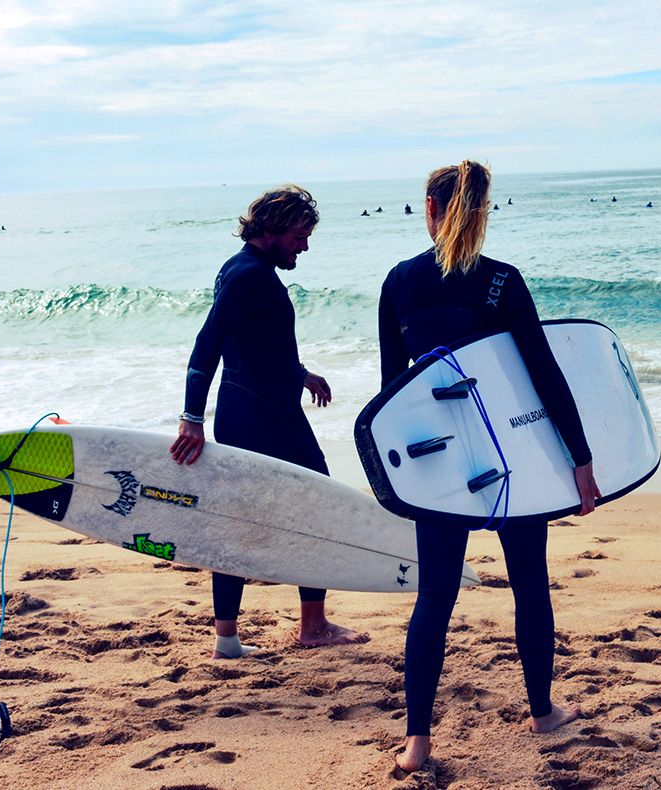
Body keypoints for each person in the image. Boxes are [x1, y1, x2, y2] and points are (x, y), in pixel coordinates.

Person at [377, 161, 599, 773]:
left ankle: (417, 743)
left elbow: (392, 394)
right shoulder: (503, 281)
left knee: (434, 597)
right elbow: (543, 375)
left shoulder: (399, 282)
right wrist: (581, 459)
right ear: (481, 212)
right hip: (511, 460)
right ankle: (542, 714)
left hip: (439, 464)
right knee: (529, 583)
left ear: (430, 209)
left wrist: (400, 478)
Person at [170, 184, 368, 659]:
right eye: (299, 236)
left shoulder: (238, 268)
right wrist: (191, 417)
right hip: (268, 419)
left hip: (247, 411)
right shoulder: (252, 277)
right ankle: (313, 626)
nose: (304, 246)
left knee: (235, 521)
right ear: (272, 229)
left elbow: (255, 344)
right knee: (317, 506)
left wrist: (301, 374)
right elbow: (208, 343)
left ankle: (227, 641)